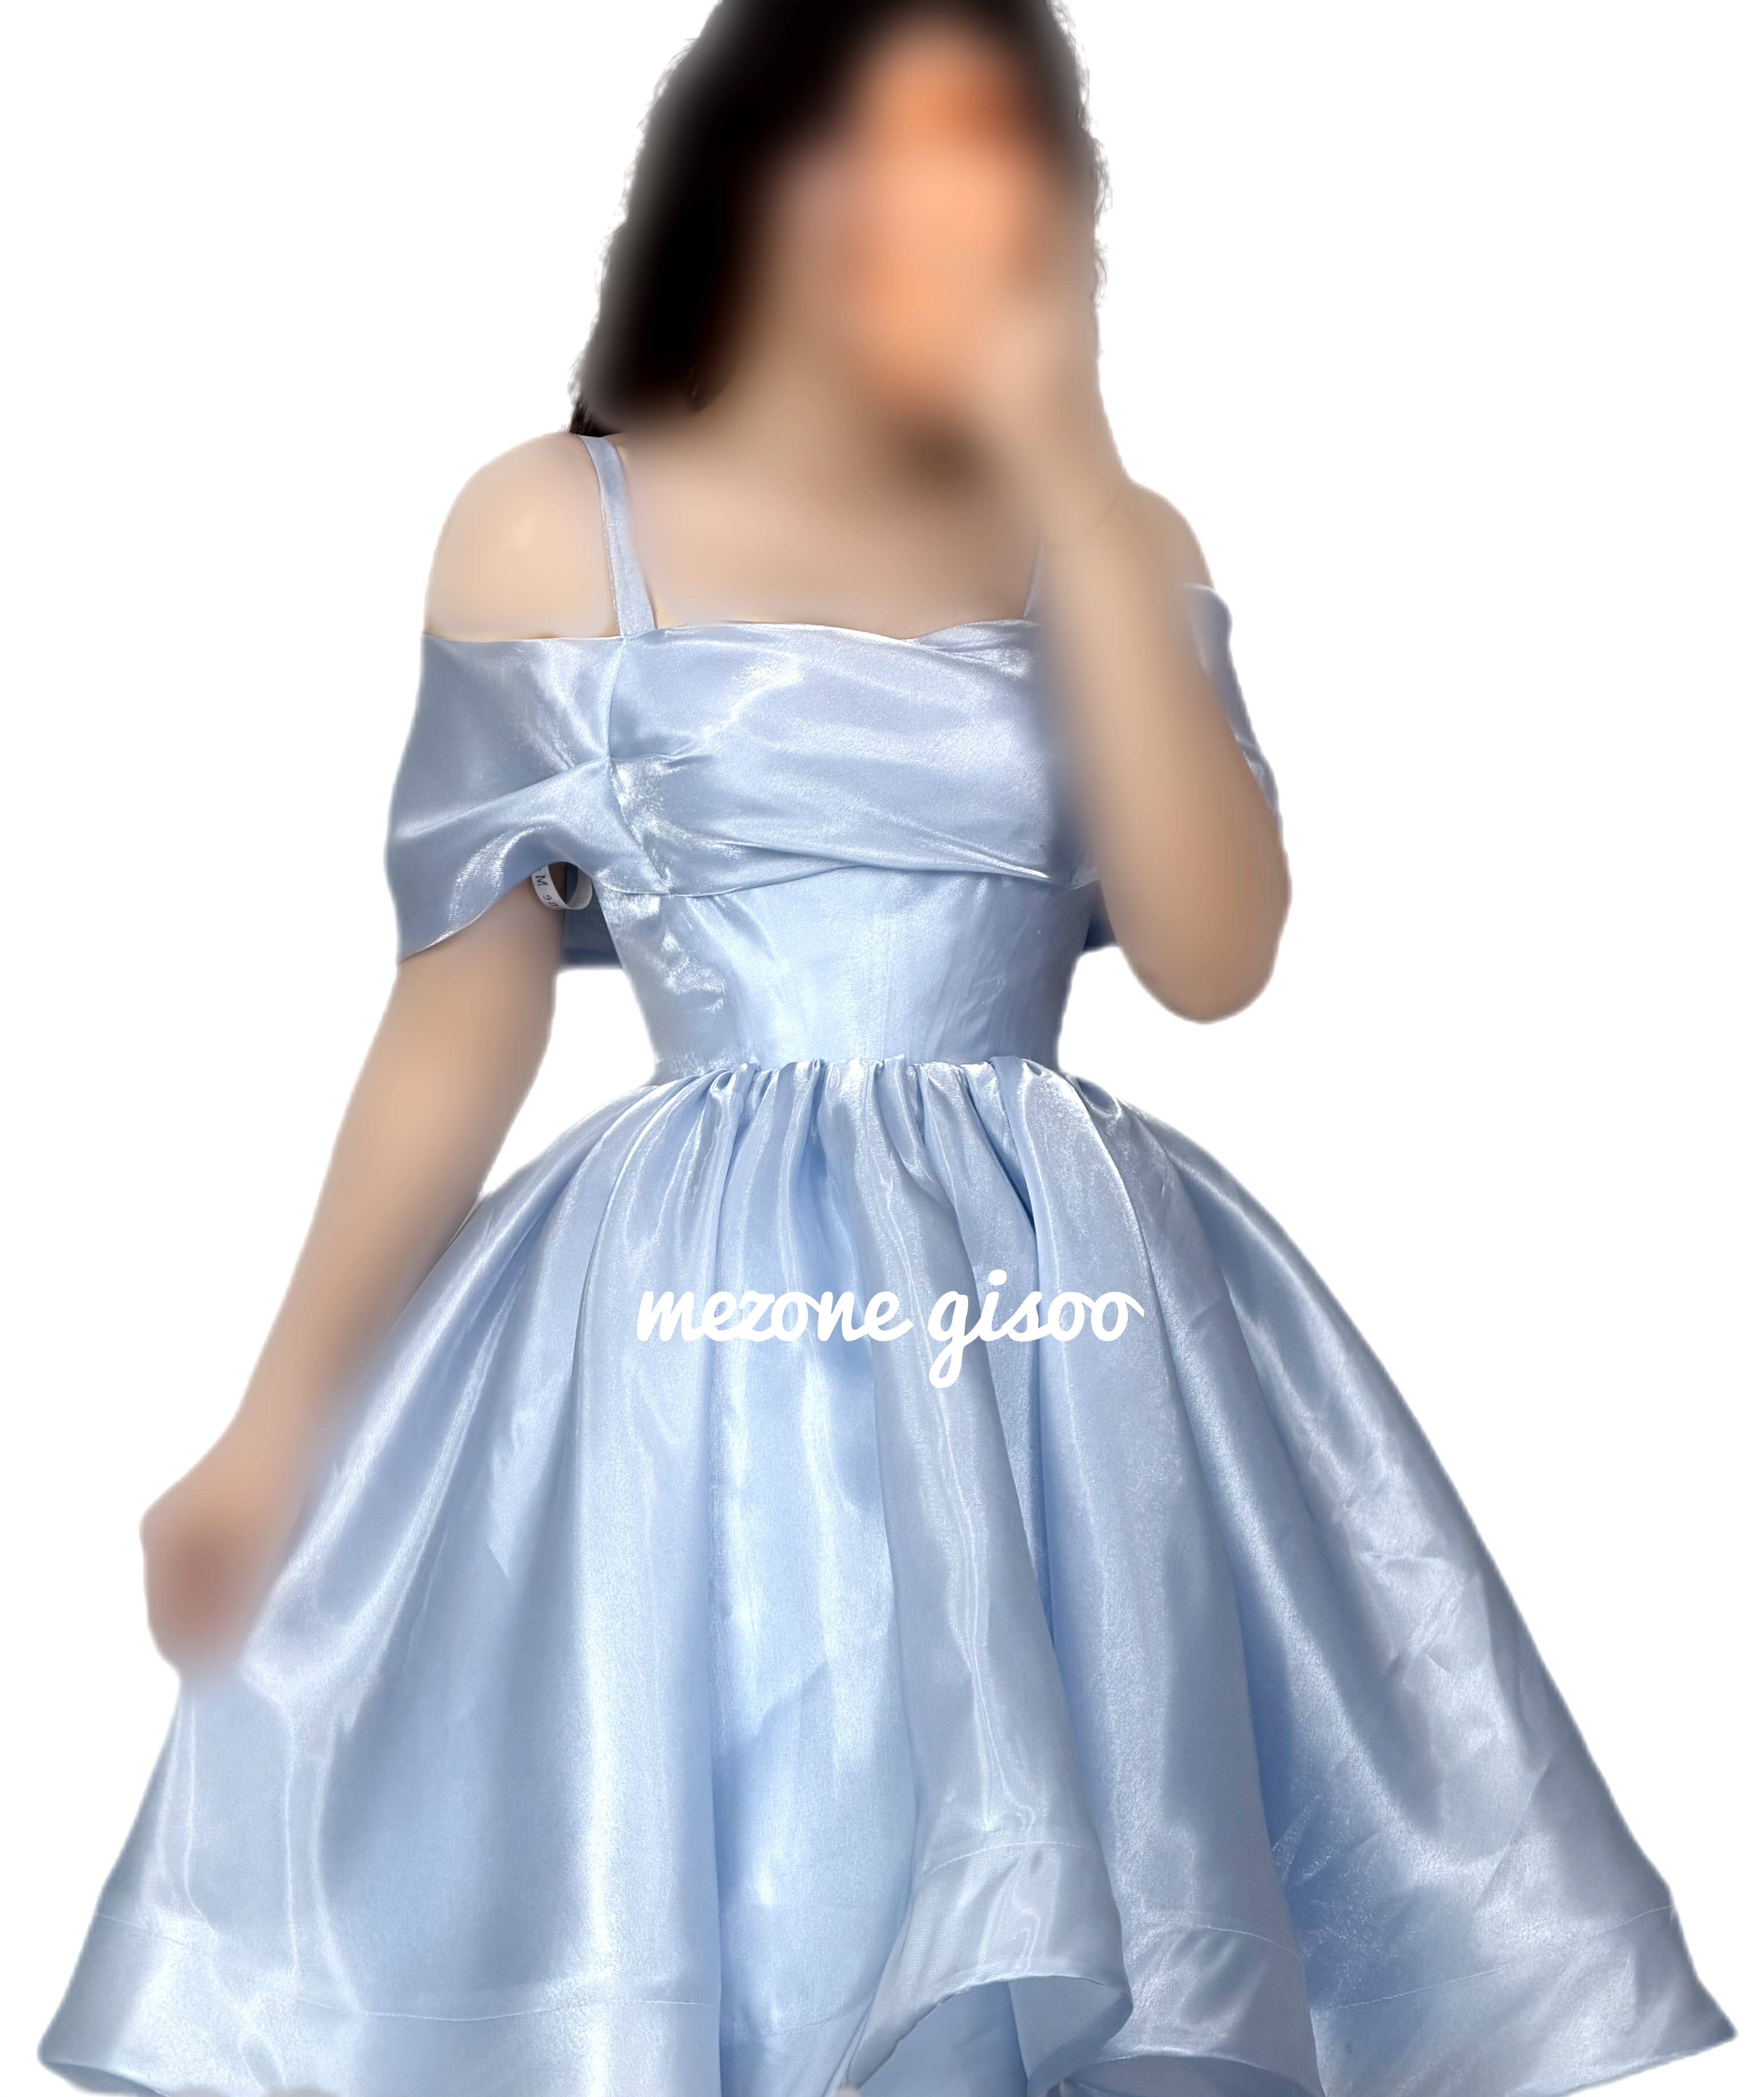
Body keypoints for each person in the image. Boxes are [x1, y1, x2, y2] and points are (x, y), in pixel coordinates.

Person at [42, 2, 1733, 2093]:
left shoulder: (1112, 540)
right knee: (753, 1837)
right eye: (894, 148)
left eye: (1000, 163)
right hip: (683, 1346)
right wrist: (276, 1423)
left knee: (1080, 1855)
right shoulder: (553, 525)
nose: (946, 212)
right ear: (757, 175)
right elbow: (459, 1008)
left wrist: (1074, 480)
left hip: (1070, 1336)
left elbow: (1210, 959)